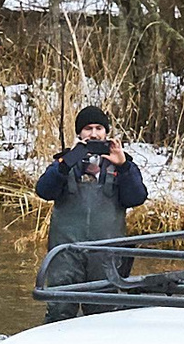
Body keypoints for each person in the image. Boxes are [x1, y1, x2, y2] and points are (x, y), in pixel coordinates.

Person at [34, 105, 148, 321]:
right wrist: (67, 163)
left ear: (106, 133)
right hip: (66, 253)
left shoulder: (122, 164)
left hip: (106, 254)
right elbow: (44, 191)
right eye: (88, 128)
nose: (94, 134)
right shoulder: (65, 163)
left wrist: (123, 166)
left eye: (98, 128)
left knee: (102, 315)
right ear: (79, 133)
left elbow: (137, 198)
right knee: (60, 311)